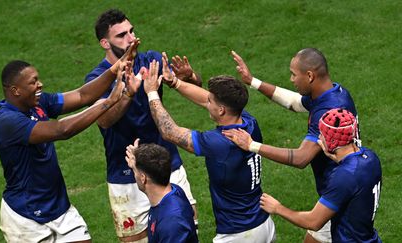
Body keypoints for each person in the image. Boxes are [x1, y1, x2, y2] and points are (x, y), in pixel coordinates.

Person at [0, 42, 137, 242]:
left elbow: (82, 95)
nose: (40, 85)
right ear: (16, 90)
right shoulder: (6, 122)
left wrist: (114, 69)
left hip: (58, 206)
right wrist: (109, 101)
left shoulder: (38, 103)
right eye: (33, 82)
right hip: (25, 215)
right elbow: (62, 129)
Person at [84, 9, 199, 242]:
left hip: (167, 165)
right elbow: (103, 120)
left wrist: (188, 78)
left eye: (131, 31)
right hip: (126, 175)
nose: (131, 38)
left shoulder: (152, 60)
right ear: (104, 43)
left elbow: (193, 86)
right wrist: (127, 93)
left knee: (187, 230)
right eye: (121, 35)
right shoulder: (97, 79)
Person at [223, 48, 359, 243]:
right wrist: (252, 81)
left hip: (342, 194)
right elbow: (295, 102)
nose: (291, 79)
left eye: (294, 74)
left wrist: (252, 145)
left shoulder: (328, 110)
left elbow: (301, 158)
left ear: (310, 76)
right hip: (344, 188)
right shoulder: (334, 93)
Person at [142, 57, 276, 243]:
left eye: (210, 101)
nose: (206, 101)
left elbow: (169, 131)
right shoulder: (248, 122)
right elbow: (204, 99)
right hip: (263, 224)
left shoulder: (219, 143)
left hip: (239, 234)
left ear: (221, 110)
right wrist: (175, 82)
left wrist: (151, 93)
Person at [260, 108, 382, 243]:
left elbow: (313, 222)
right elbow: (354, 173)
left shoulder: (344, 177)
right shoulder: (371, 158)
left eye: (322, 135)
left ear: (332, 141)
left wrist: (277, 208)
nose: (319, 138)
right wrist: (337, 157)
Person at [124, 140, 199, 243]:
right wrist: (137, 162)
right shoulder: (174, 190)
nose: (134, 174)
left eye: (135, 171)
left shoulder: (172, 222)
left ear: (143, 178)